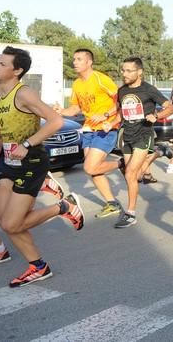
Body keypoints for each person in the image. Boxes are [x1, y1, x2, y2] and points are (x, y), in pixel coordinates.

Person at [0, 46, 84, 287]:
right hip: (9, 162)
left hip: (31, 162)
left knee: (12, 223)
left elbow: (55, 121)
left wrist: (27, 143)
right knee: (3, 220)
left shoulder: (24, 93)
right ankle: (38, 267)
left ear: (17, 71)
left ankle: (63, 207)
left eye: (2, 64)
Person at [54, 48, 123, 219]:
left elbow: (121, 100)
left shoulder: (101, 79)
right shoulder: (77, 83)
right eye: (74, 59)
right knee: (93, 171)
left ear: (89, 62)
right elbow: (76, 108)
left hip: (105, 128)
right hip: (88, 129)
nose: (74, 62)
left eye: (79, 59)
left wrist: (108, 116)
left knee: (90, 167)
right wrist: (61, 110)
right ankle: (112, 203)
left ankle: (123, 163)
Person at [114, 57, 173, 228]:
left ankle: (130, 213)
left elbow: (170, 107)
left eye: (128, 71)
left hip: (143, 134)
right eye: (122, 70)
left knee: (130, 174)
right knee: (134, 175)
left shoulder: (149, 90)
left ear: (139, 72)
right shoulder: (122, 91)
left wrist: (156, 116)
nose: (124, 74)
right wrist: (108, 121)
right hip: (127, 135)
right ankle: (160, 151)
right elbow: (122, 113)